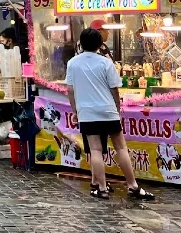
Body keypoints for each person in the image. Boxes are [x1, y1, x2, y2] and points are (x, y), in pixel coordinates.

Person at [65, 28, 154, 201]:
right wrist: (117, 109)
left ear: (81, 44)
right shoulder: (106, 63)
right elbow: (114, 89)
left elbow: (70, 89)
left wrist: (75, 111)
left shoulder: (73, 63)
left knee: (95, 150)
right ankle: (132, 185)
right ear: (100, 44)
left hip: (87, 113)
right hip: (108, 110)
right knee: (121, 147)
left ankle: (102, 188)